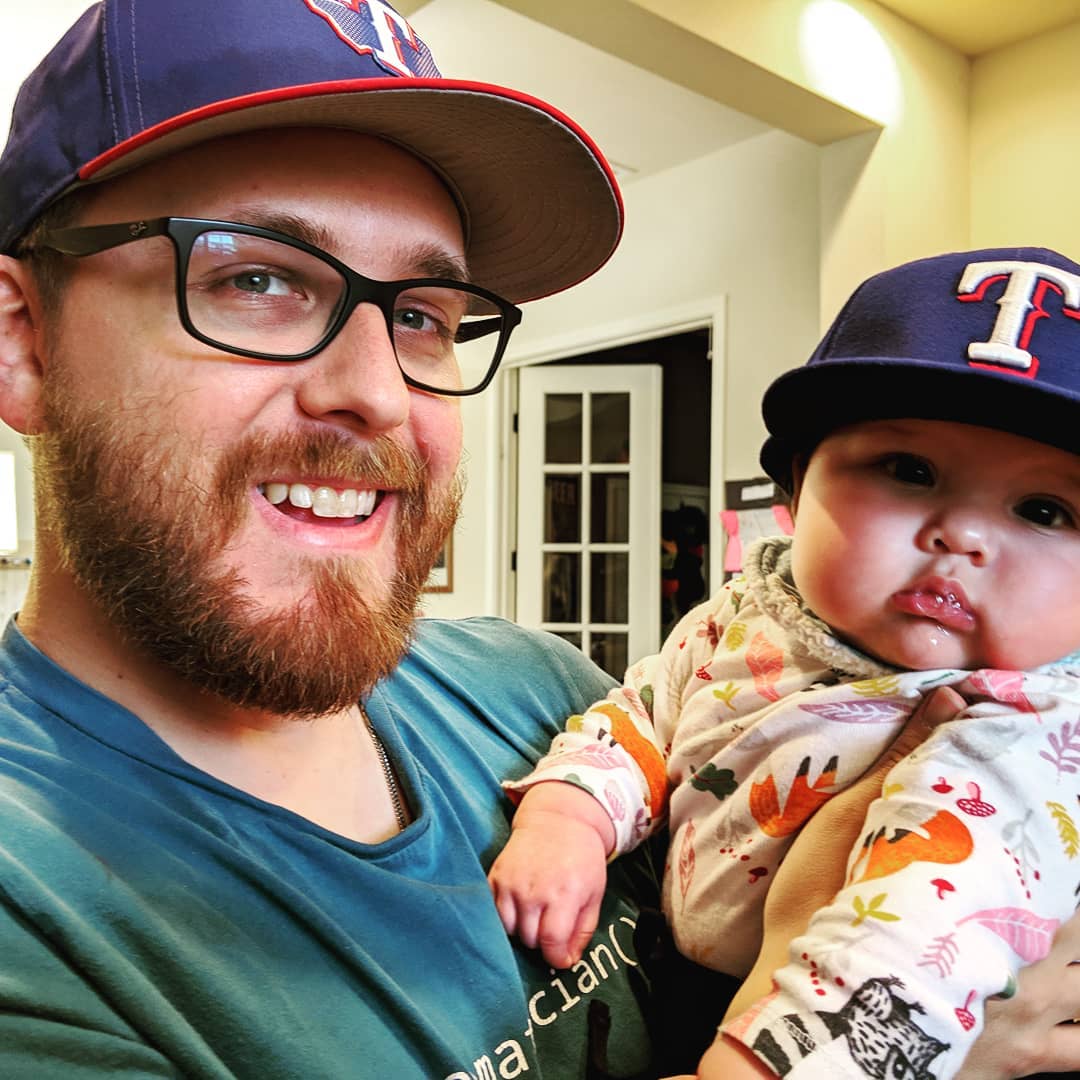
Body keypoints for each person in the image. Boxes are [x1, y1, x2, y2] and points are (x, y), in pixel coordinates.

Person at [1, 3, 1077, 1077]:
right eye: (257, 278)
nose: (378, 391)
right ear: (22, 340)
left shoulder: (534, 693)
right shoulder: (36, 925)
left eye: (423, 313)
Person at [489, 246, 1080, 1079]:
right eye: (909, 470)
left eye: (1045, 509)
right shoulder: (748, 617)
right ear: (795, 491)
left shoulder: (1024, 734)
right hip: (688, 979)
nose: (964, 535)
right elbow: (646, 713)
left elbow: (906, 948)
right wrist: (571, 815)